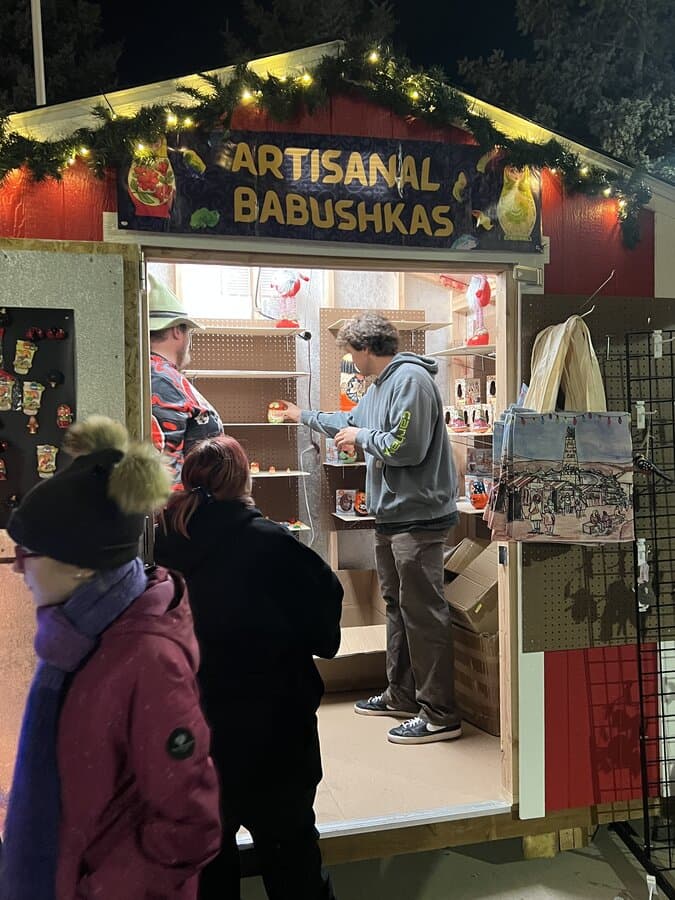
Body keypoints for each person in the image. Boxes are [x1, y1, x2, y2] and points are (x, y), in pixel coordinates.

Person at [0, 416, 221, 900]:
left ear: (79, 566)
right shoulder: (75, 639)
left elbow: (191, 823)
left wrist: (97, 891)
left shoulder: (147, 659)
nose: (17, 567)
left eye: (27, 554)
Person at [154, 435, 343, 900]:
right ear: (245, 479)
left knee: (208, 866)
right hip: (274, 735)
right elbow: (325, 634)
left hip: (191, 735)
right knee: (292, 859)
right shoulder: (273, 544)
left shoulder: (159, 545)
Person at [281, 313, 461, 746]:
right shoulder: (380, 387)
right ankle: (402, 695)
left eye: (349, 350)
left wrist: (361, 437)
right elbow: (350, 423)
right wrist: (302, 415)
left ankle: (440, 714)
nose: (348, 359)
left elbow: (406, 448)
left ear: (366, 348)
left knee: (424, 614)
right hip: (392, 517)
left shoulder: (411, 382)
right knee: (398, 608)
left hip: (418, 520)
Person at [148, 273, 223, 487]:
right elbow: (165, 466)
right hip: (185, 514)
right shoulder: (161, 380)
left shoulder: (156, 375)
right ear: (176, 331)